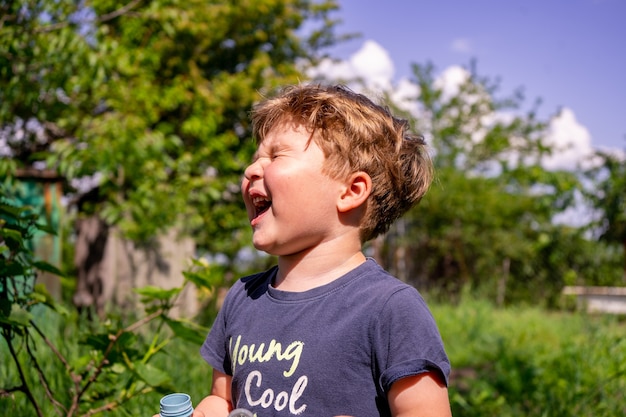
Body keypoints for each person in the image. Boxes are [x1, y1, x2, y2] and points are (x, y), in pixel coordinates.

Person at [193, 84, 451, 417]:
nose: (251, 170)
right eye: (256, 158)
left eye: (276, 155)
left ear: (351, 191)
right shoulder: (242, 298)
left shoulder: (389, 310)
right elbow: (222, 400)